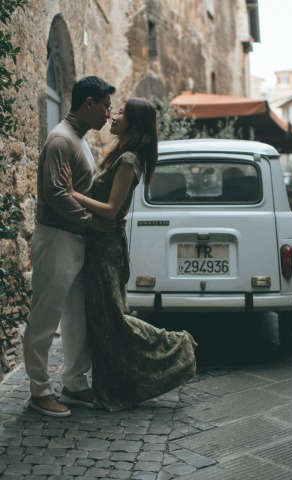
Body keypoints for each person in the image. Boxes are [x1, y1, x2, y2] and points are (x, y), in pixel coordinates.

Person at [60, 97, 197, 411]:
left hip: (105, 250)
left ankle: (178, 347)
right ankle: (114, 385)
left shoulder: (129, 160)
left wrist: (72, 195)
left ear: (134, 123)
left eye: (120, 112)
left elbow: (110, 210)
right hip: (101, 246)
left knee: (113, 321)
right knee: (104, 322)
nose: (113, 115)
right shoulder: (120, 155)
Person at [24, 76, 116, 417]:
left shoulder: (79, 138)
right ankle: (39, 391)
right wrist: (92, 222)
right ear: (88, 103)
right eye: (105, 106)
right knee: (45, 316)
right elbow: (55, 194)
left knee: (78, 316)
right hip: (57, 238)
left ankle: (75, 384)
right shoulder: (61, 138)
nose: (108, 113)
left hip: (77, 238)